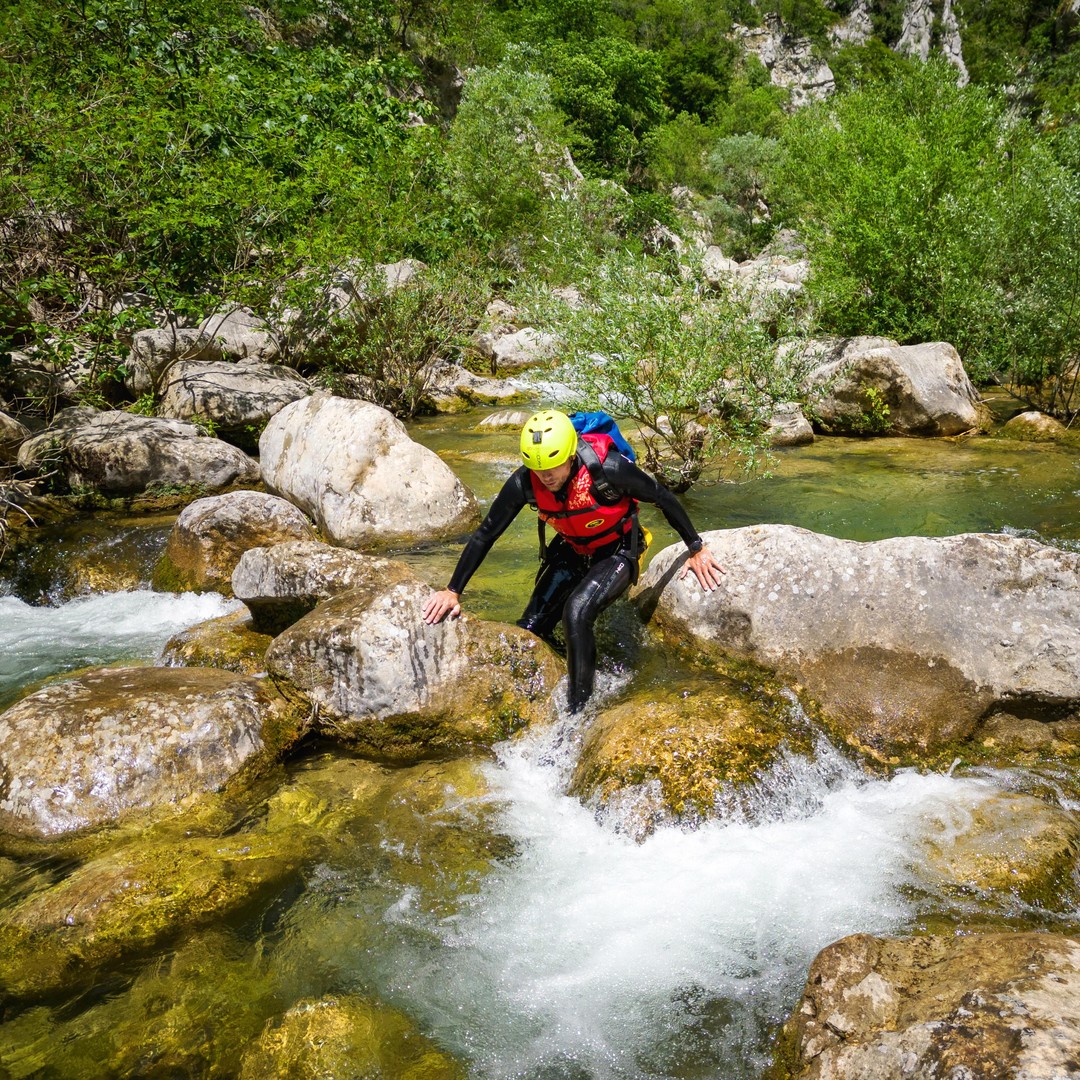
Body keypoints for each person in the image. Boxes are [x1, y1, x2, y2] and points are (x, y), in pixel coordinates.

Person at [422, 410, 726, 713]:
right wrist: (453, 590)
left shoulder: (609, 469)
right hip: (573, 547)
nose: (546, 477)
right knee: (530, 629)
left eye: (553, 466)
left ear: (570, 454)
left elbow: (662, 497)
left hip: (619, 548)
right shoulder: (524, 482)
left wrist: (695, 548)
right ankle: (556, 675)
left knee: (577, 612)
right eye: (538, 468)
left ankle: (579, 710)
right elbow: (486, 533)